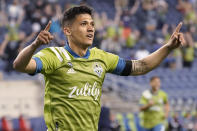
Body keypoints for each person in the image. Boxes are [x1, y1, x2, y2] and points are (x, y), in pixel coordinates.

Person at [13, 5, 184, 131]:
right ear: (67, 30)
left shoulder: (101, 58)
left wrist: (167, 47)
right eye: (83, 24)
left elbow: (141, 66)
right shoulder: (54, 56)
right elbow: (20, 65)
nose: (90, 28)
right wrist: (35, 45)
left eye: (92, 24)